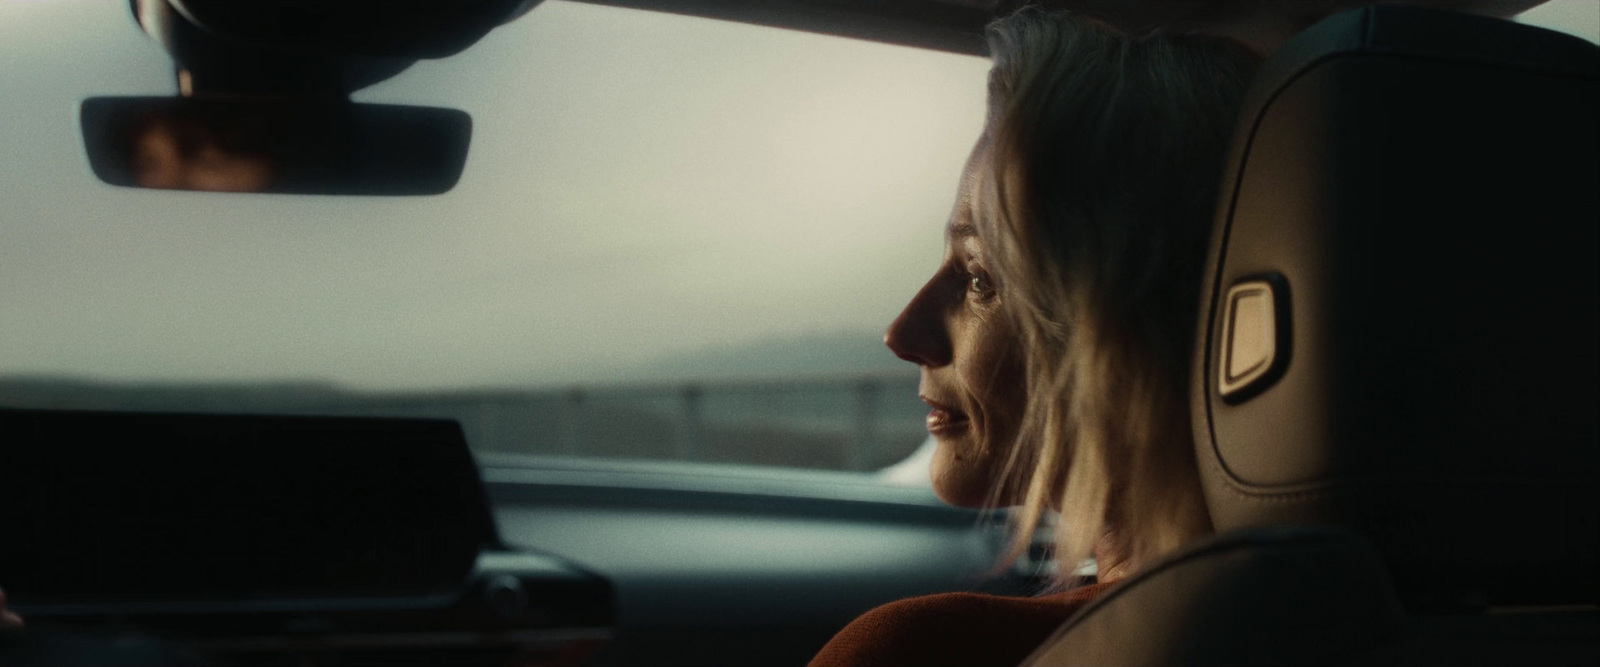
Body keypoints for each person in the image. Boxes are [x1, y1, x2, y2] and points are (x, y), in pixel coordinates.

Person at [808, 8, 1260, 667]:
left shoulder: (920, 653)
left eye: (980, 276)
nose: (904, 333)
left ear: (1134, 329)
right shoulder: (1391, 625)